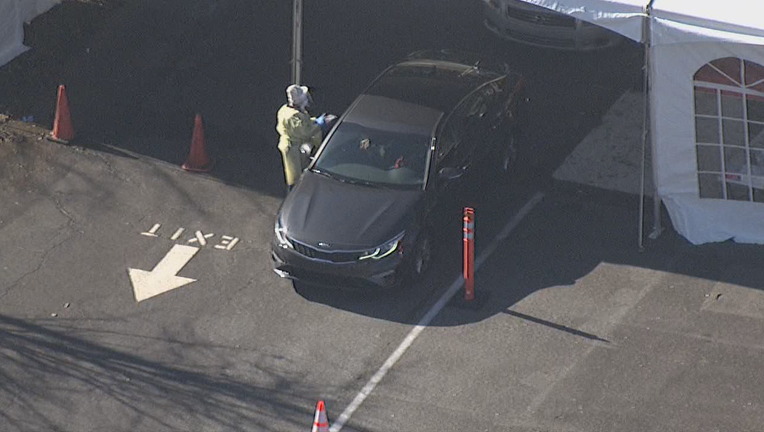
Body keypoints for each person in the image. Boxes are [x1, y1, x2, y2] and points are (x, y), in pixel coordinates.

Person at [276, 85, 323, 192]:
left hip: (294, 144)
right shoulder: (293, 117)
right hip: (294, 148)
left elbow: (304, 123)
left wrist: (314, 121)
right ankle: (297, 194)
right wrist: (319, 125)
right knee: (296, 177)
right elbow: (305, 132)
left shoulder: (287, 110)